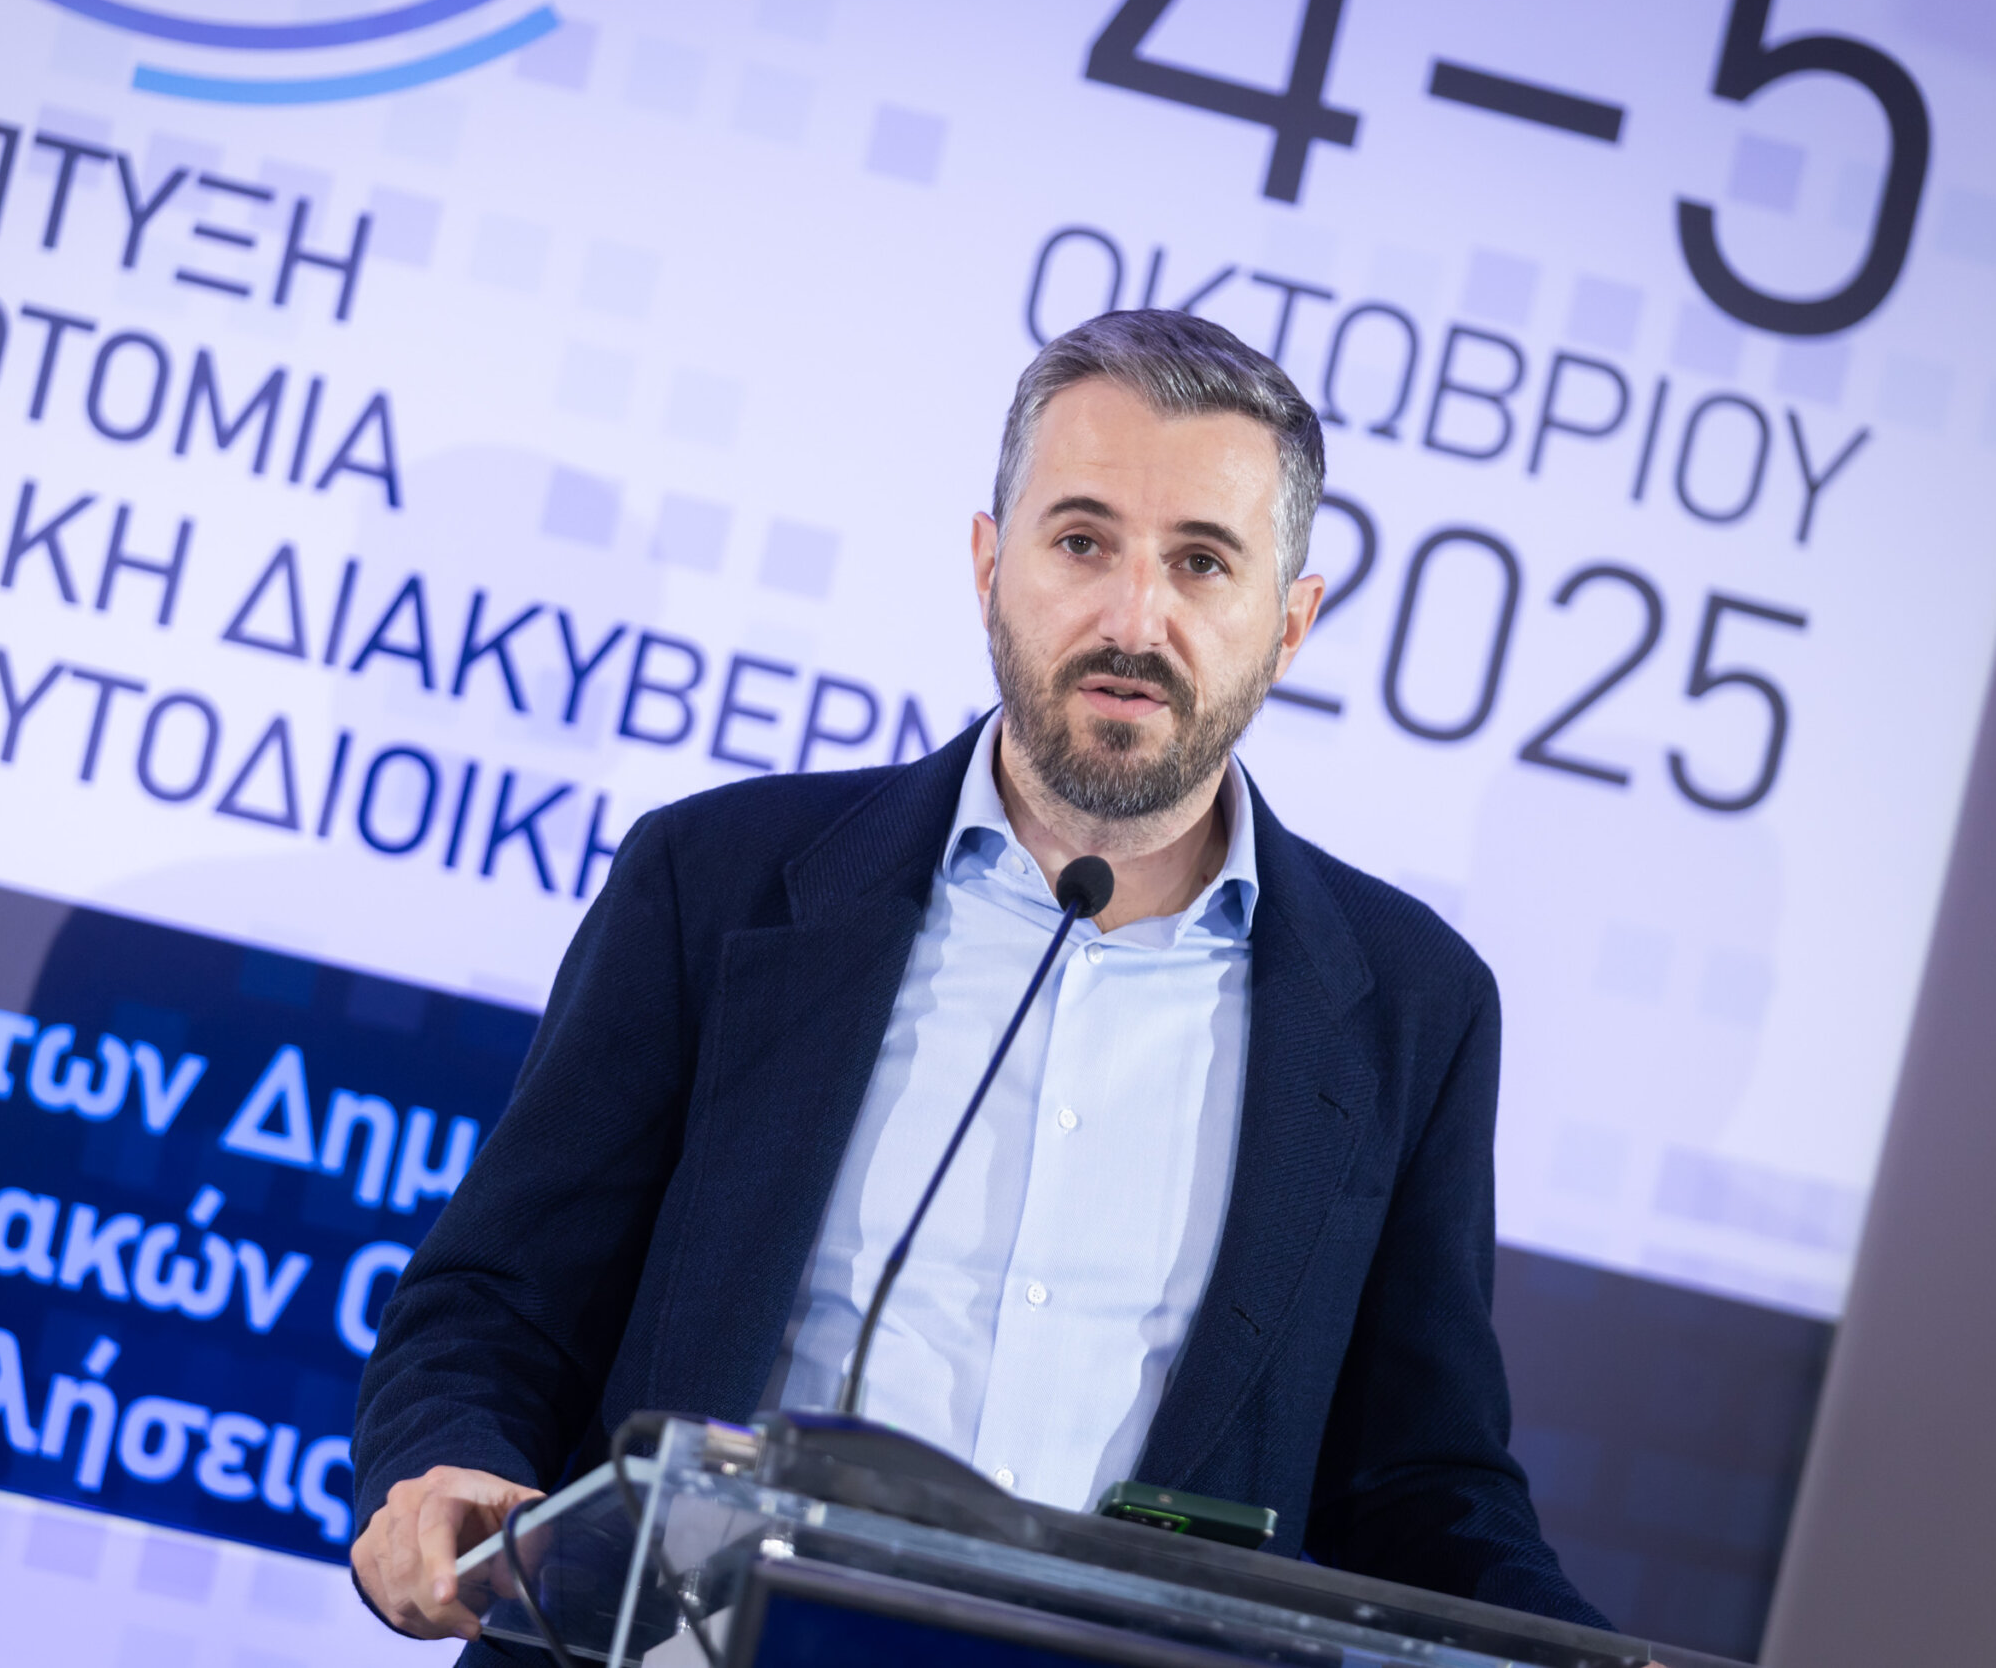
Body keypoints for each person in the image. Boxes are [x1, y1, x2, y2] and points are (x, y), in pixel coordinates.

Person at [349, 309, 1607, 1649]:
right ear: (989, 563)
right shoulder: (716, 883)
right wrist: (448, 1465)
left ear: (1290, 623)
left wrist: (1579, 1652)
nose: (1134, 619)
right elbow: (501, 1304)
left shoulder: (1410, 1009)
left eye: (1201, 563)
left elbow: (1417, 1486)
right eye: (1082, 542)